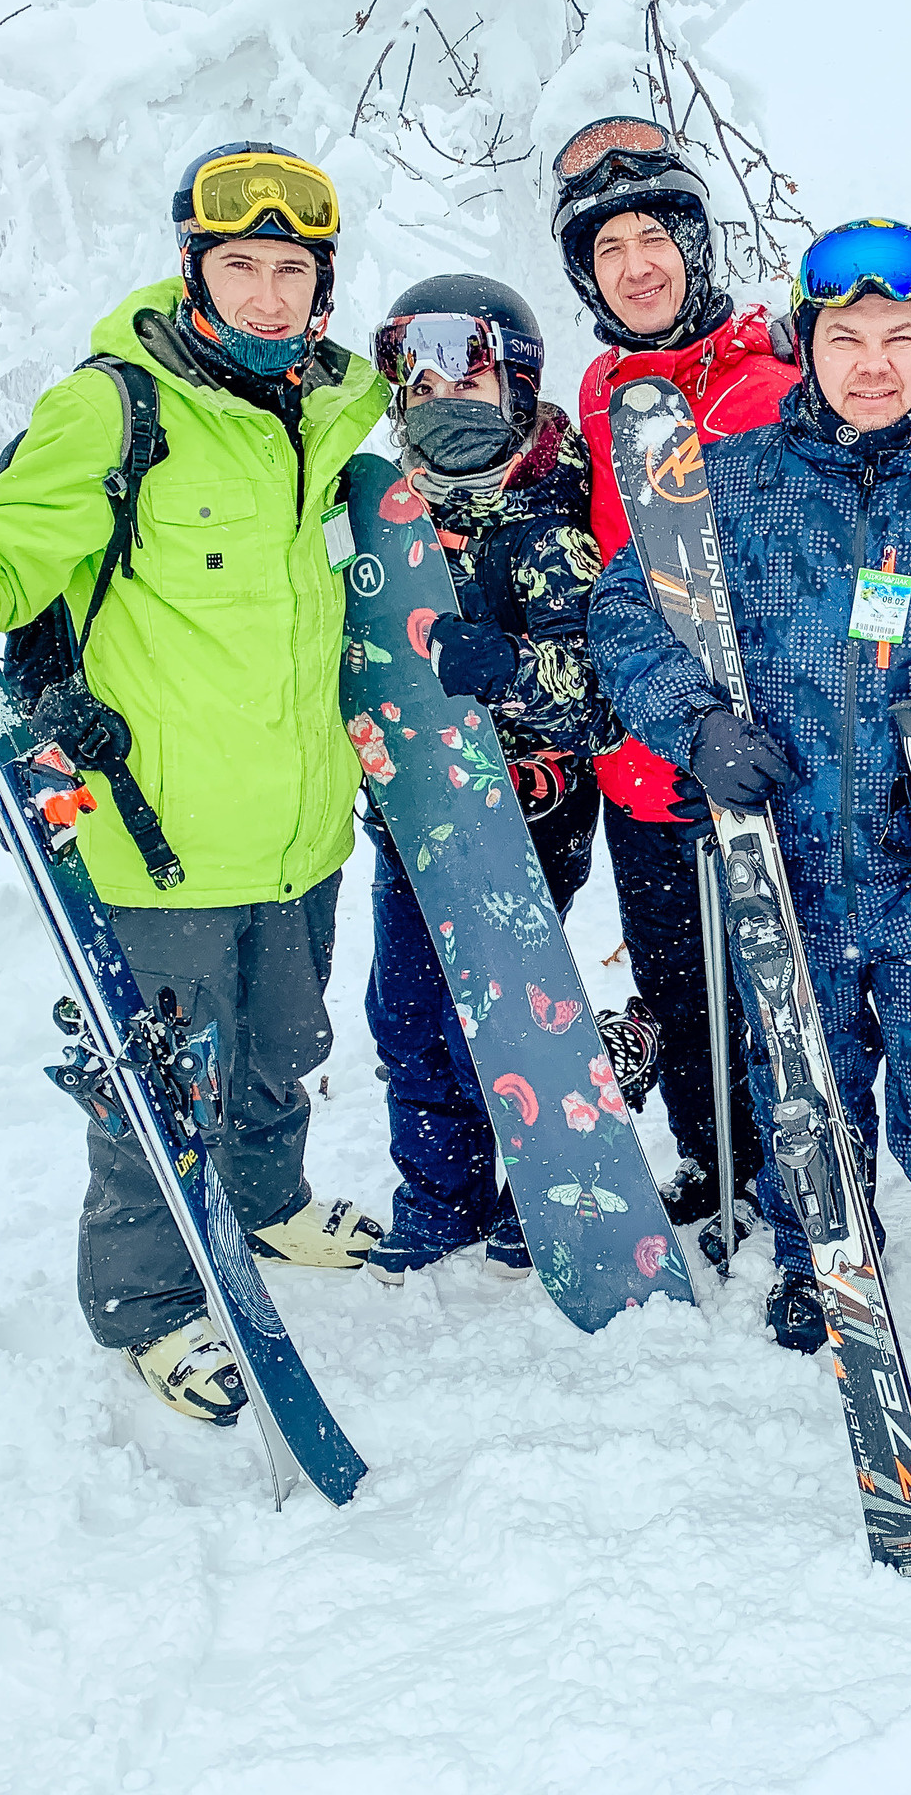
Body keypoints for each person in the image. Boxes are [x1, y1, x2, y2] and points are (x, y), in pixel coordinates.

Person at [0, 142, 392, 1426]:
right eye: (236, 267)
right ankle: (144, 1305)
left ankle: (267, 1203)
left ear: (321, 284)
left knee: (285, 1051)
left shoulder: (334, 408)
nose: (263, 297)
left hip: (302, 829)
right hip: (161, 842)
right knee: (156, 1085)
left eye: (288, 272)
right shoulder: (117, 408)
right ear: (191, 269)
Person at [586, 218, 911, 1465]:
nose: (871, 364)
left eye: (896, 338)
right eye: (844, 340)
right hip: (789, 875)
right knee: (804, 1098)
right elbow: (624, 613)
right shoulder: (724, 484)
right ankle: (821, 1262)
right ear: (809, 348)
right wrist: (697, 727)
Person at [557, 116, 796, 1241]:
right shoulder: (600, 396)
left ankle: (803, 1170)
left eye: (655, 236)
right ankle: (717, 1155)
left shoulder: (772, 383)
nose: (637, 265)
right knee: (675, 972)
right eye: (608, 251)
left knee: (774, 985)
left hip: (753, 755)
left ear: (697, 246)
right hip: (637, 760)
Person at [359, 274, 621, 1281]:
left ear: (513, 377)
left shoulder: (551, 515)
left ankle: (541, 1179)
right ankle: (439, 1192)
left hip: (525, 818)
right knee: (411, 1012)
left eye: (463, 366)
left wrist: (510, 671)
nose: (441, 391)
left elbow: (597, 686)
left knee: (511, 1007)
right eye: (416, 373)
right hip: (412, 811)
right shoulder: (383, 513)